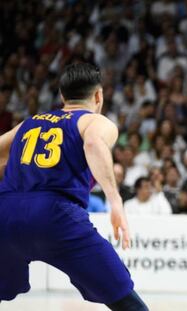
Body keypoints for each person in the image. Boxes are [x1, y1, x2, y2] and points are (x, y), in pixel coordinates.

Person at [0, 63, 148, 311]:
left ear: (62, 96)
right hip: (55, 215)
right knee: (124, 298)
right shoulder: (95, 122)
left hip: (5, 212)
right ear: (98, 95)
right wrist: (115, 201)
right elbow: (93, 144)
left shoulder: (29, 123)